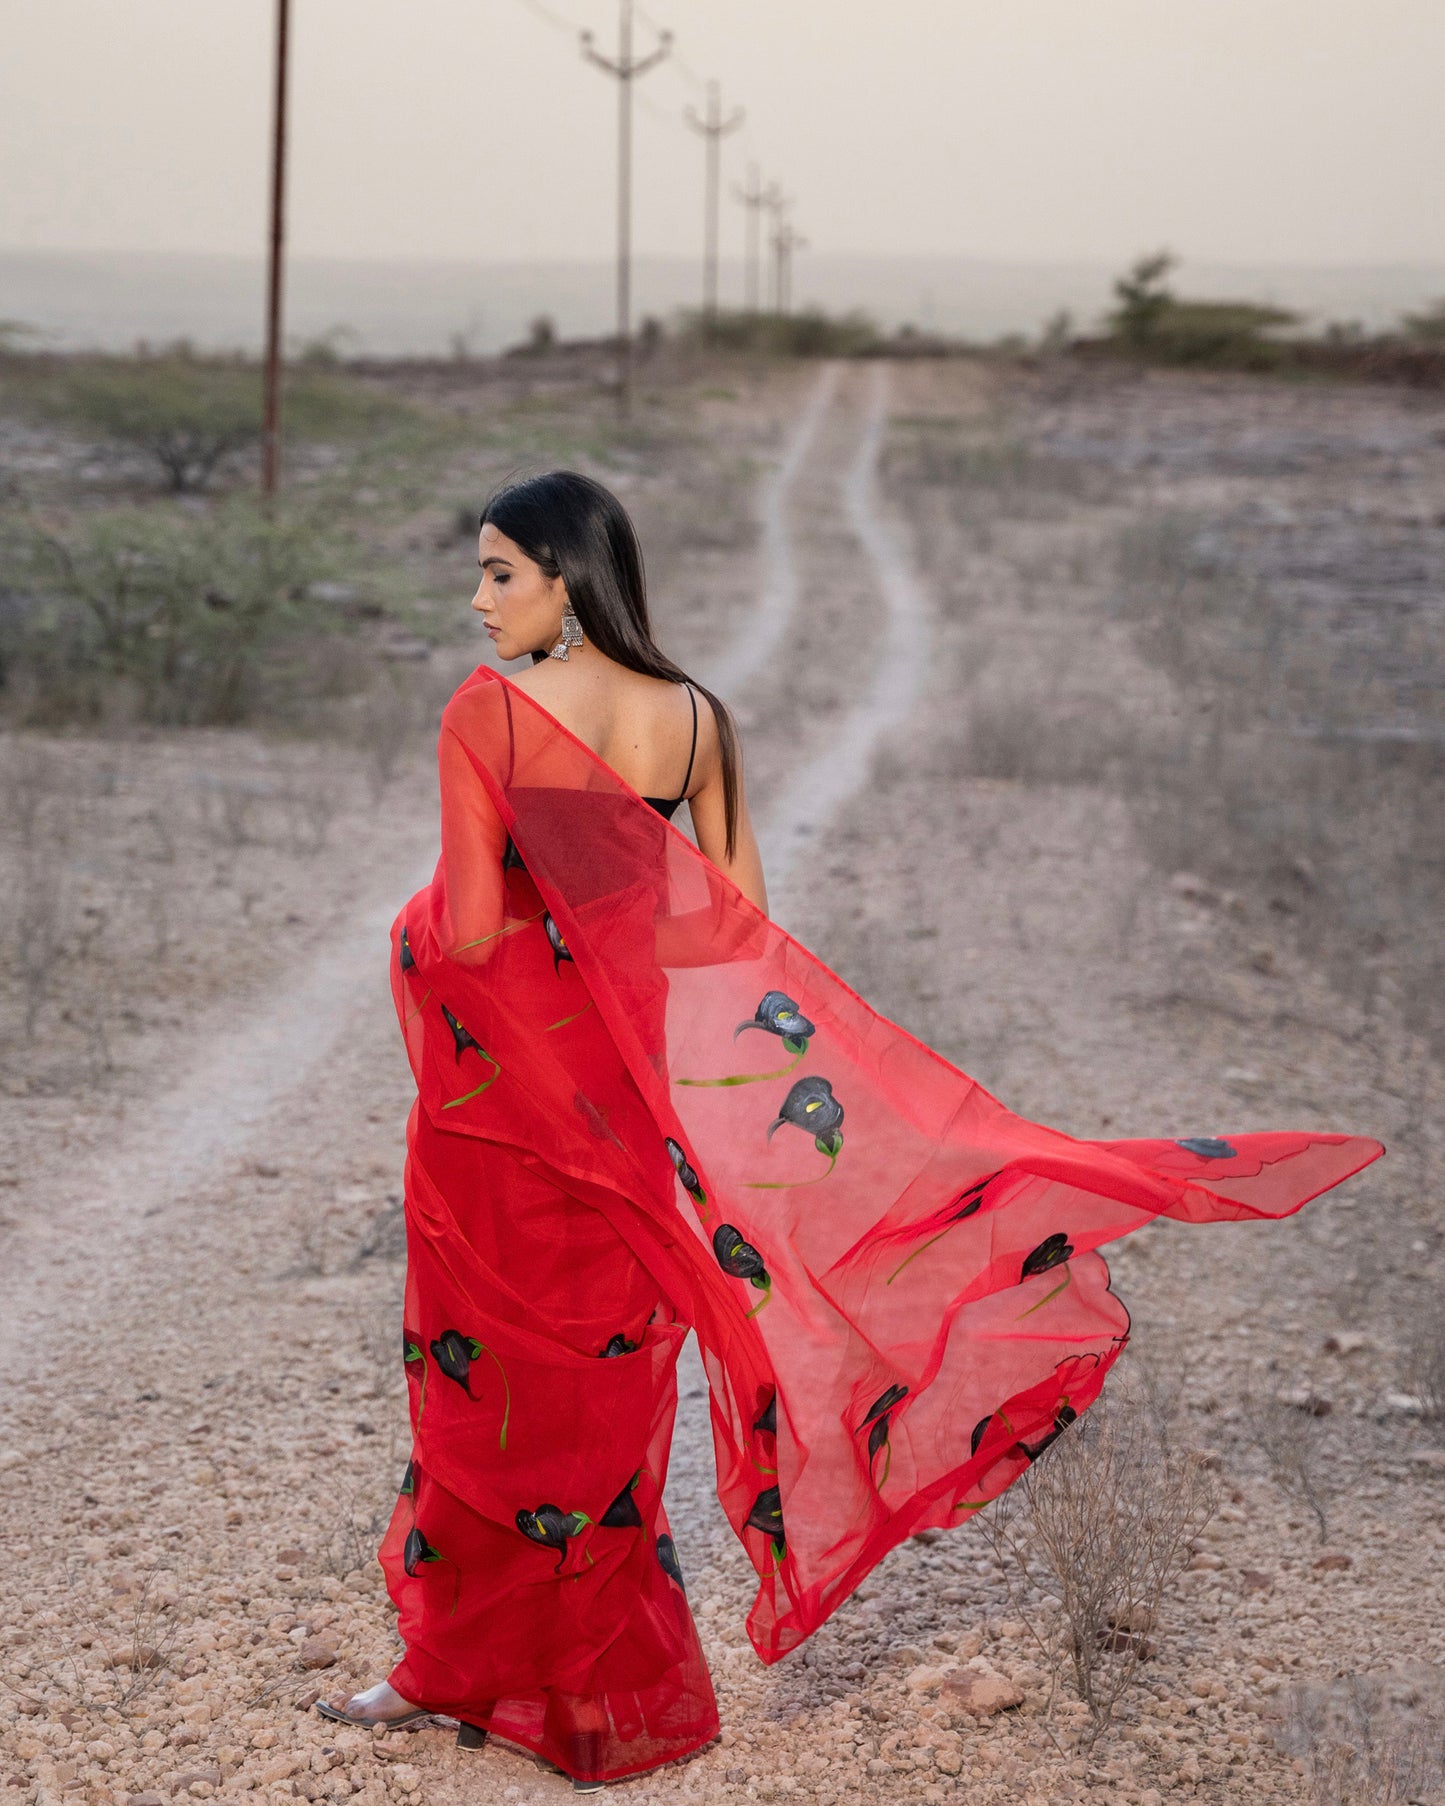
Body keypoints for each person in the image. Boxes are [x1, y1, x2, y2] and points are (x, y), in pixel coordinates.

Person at [318, 470, 1381, 1791]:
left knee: (485, 1383)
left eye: (499, 574)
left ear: (567, 578)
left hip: (504, 1109)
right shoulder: (694, 718)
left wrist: (418, 929)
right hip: (624, 1086)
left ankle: (448, 1667)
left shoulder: (487, 715)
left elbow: (471, 932)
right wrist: (612, 919)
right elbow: (726, 921)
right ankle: (590, 1682)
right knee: (609, 1372)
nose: (476, 602)